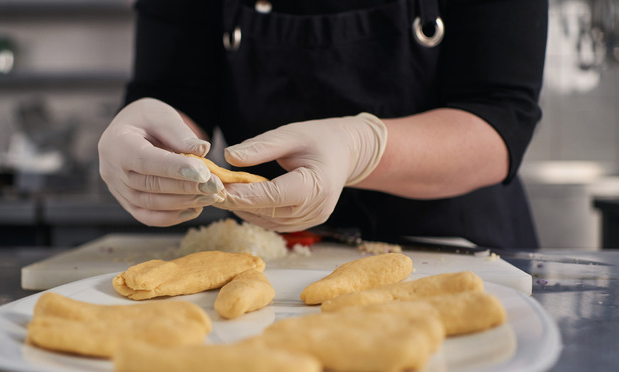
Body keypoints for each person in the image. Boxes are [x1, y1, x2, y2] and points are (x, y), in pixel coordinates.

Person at [98, 0, 548, 249]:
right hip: (274, 256)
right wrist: (148, 140)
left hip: (454, 247)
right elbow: (178, 93)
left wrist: (362, 146)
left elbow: (501, 113)